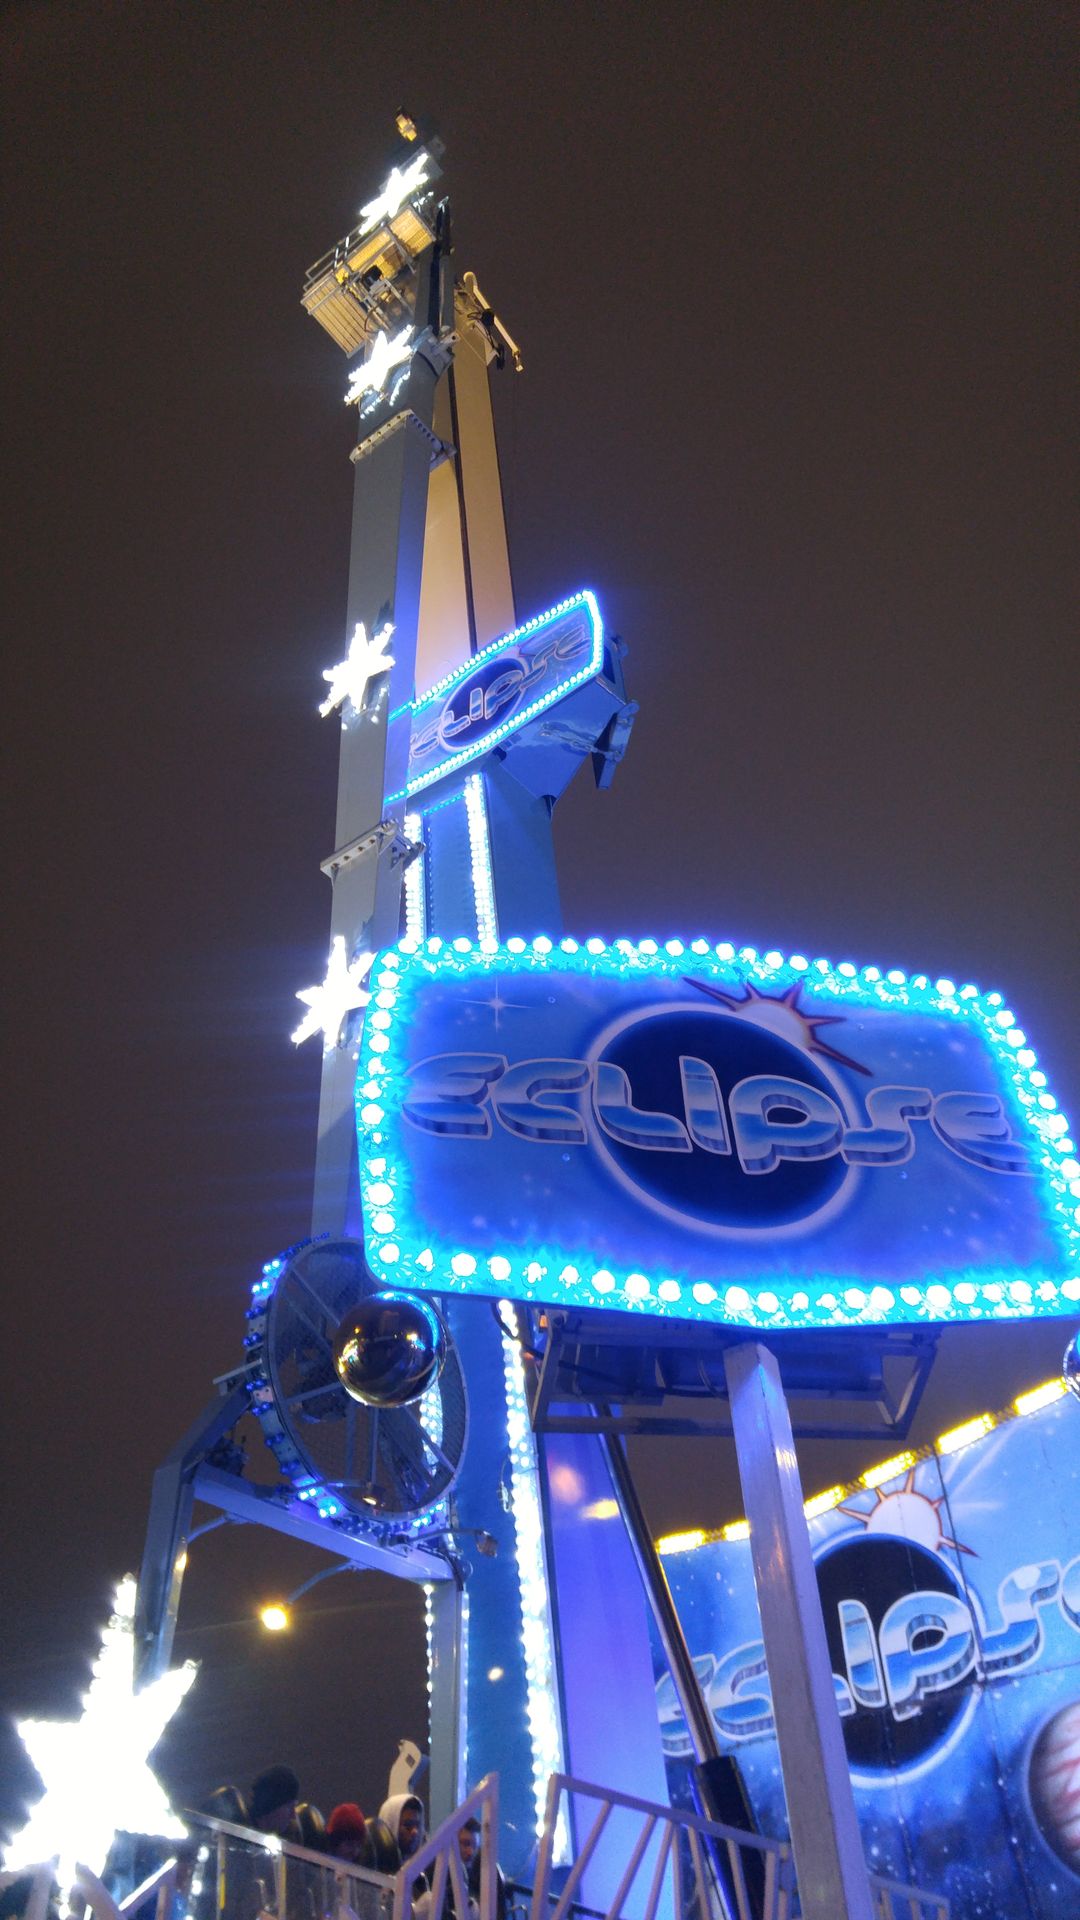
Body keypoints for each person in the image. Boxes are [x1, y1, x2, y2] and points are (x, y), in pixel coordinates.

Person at [249, 1766, 301, 1838]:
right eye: (289, 1808)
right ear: (270, 1806)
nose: (293, 1816)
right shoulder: (241, 1837)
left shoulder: (289, 1838)